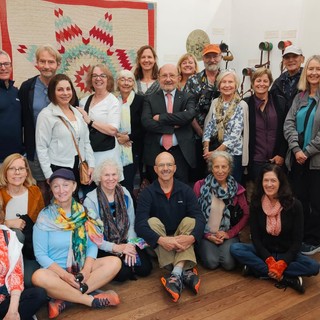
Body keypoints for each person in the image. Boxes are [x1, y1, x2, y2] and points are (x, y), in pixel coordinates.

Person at [32, 169, 121, 319]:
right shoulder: (44, 217)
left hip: (80, 271)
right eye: (56, 186)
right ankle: (89, 300)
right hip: (56, 274)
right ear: (51, 190)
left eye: (65, 185)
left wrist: (86, 270)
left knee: (115, 262)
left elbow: (92, 244)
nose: (61, 190)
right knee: (38, 277)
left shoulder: (84, 213)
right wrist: (65, 276)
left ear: (74, 187)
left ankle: (64, 298)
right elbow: (41, 255)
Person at [230, 164, 319, 294]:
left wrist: (283, 262)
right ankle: (285, 278)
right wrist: (269, 260)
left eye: (273, 180)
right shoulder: (256, 203)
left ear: (280, 183)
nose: (269, 184)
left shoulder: (295, 205)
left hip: (287, 253)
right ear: (261, 182)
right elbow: (255, 238)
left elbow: (297, 241)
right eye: (266, 180)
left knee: (314, 267)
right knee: (235, 248)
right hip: (264, 252)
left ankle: (257, 270)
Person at [135, 152, 205, 302]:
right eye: (161, 165)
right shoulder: (147, 193)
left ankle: (175, 274)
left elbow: (199, 217)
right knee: (151, 222)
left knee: (190, 221)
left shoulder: (185, 190)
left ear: (174, 168)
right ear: (155, 169)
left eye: (168, 165)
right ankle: (186, 271)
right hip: (160, 243)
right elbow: (139, 224)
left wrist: (191, 237)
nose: (165, 168)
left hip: (181, 237)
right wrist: (161, 240)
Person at [84, 159, 152, 282]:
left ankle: (127, 257)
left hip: (126, 239)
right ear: (99, 177)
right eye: (106, 175)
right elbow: (95, 238)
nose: (111, 178)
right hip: (105, 245)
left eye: (114, 174)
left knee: (145, 269)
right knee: (122, 274)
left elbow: (131, 223)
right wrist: (118, 248)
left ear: (118, 176)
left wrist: (130, 246)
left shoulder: (125, 193)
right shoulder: (90, 201)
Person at [284, 55, 320, 256]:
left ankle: (314, 239)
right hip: (297, 158)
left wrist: (307, 152)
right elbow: (288, 123)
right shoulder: (300, 97)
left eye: (318, 69)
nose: (314, 73)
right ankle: (302, 235)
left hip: (315, 160)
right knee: (300, 199)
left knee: (316, 201)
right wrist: (296, 149)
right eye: (311, 69)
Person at [35, 74, 95, 191]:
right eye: (60, 89)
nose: (65, 93)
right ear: (53, 92)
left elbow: (86, 141)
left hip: (79, 166)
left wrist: (91, 164)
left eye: (68, 89)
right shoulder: (46, 115)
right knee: (62, 202)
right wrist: (48, 174)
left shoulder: (77, 113)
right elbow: (42, 147)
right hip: (58, 167)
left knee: (76, 202)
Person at [19, 45, 62, 205]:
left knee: (61, 186)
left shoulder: (64, 86)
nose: (46, 66)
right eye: (42, 61)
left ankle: (63, 222)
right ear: (37, 63)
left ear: (57, 64)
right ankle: (42, 223)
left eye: (51, 62)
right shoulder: (27, 87)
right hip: (36, 149)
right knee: (41, 187)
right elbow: (21, 119)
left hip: (60, 149)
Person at [193, 151, 249, 271]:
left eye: (224, 167)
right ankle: (201, 248)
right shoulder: (200, 185)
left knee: (228, 264)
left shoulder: (237, 189)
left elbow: (246, 214)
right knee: (212, 263)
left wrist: (230, 233)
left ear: (229, 168)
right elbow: (194, 214)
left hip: (227, 234)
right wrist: (207, 235)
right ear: (211, 168)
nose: (220, 170)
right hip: (205, 234)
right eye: (216, 166)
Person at [141, 64, 196, 183]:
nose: (168, 79)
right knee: (157, 191)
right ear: (158, 78)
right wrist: (172, 127)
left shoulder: (188, 97)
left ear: (178, 78)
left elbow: (189, 116)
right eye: (164, 75)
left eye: (172, 75)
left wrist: (161, 117)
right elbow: (146, 123)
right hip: (156, 152)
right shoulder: (149, 99)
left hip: (181, 153)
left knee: (181, 191)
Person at [0, 153, 44, 288]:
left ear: (26, 172)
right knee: (15, 234)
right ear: (5, 172)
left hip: (28, 251)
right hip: (4, 255)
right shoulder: (0, 193)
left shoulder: (35, 192)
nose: (17, 173)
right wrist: (7, 223)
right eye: (12, 169)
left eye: (21, 168)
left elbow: (42, 222)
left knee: (32, 280)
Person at [0, 194, 47, 320]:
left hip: (4, 299)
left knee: (39, 294)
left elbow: (15, 274)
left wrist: (13, 310)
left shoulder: (7, 236)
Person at [202, 69, 248, 183]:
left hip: (233, 154)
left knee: (232, 188)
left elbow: (235, 135)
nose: (227, 85)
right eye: (223, 82)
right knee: (214, 186)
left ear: (236, 85)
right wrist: (206, 149)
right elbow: (209, 126)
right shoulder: (215, 102)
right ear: (219, 85)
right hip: (214, 153)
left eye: (230, 82)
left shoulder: (241, 105)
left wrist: (216, 153)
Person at [184, 44, 222, 181]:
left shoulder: (226, 78)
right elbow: (188, 110)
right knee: (197, 176)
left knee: (219, 175)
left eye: (215, 56)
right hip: (196, 136)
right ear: (203, 59)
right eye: (208, 56)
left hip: (222, 140)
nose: (212, 60)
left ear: (220, 57)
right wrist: (201, 133)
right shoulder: (193, 81)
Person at [244, 68, 287, 183]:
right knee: (257, 196)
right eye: (258, 81)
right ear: (252, 83)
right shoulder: (245, 104)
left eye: (265, 81)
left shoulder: (280, 102)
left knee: (276, 195)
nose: (261, 84)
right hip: (255, 160)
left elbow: (285, 129)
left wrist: (281, 154)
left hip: (276, 160)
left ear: (270, 83)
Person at [78, 64, 122, 177]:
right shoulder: (84, 101)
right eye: (95, 76)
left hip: (106, 154)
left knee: (106, 184)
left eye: (102, 75)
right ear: (90, 79)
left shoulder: (113, 102)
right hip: (88, 154)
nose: (98, 79)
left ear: (108, 80)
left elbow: (112, 130)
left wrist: (90, 121)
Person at [115, 70, 145, 196]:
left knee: (130, 185)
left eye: (129, 80)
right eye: (122, 79)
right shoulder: (113, 101)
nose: (126, 83)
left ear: (133, 83)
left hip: (135, 149)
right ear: (117, 82)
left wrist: (128, 137)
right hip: (116, 147)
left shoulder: (141, 100)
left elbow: (145, 126)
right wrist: (118, 137)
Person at [0, 50, 23, 163]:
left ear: (11, 66)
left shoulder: (16, 92)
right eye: (0, 65)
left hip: (16, 157)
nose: (3, 68)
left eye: (6, 64)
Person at [270, 45, 304, 112]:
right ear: (284, 61)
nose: (291, 60)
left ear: (302, 59)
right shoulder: (278, 82)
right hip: (282, 122)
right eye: (287, 57)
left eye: (294, 56)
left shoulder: (309, 79)